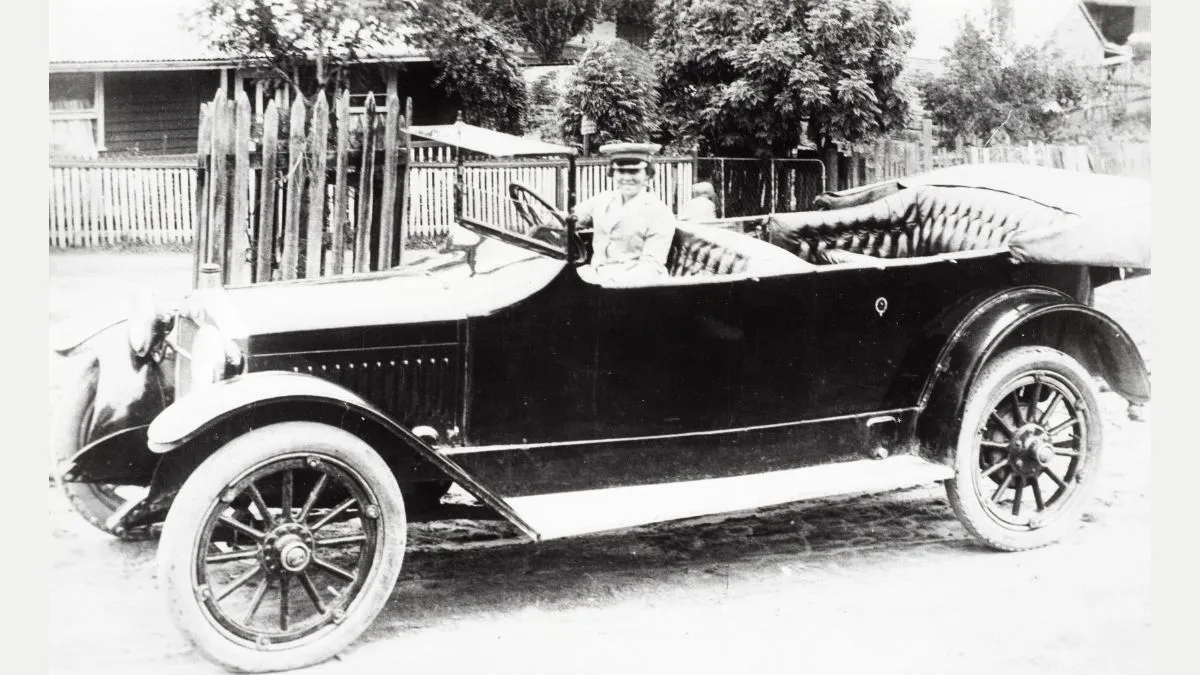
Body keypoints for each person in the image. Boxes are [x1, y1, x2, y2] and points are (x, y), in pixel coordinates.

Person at [573, 142, 676, 283]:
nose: (627, 178)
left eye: (634, 171)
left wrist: (610, 284)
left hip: (632, 285)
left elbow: (651, 266)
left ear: (647, 174)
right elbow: (572, 218)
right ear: (613, 173)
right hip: (595, 275)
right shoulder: (602, 200)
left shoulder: (659, 212)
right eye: (621, 171)